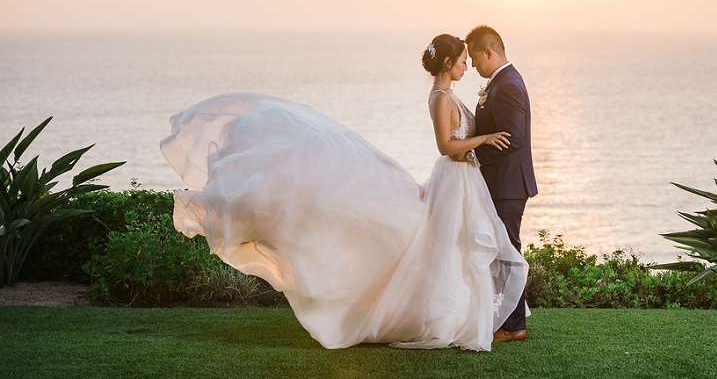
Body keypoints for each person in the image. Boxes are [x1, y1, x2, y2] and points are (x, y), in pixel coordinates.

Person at [159, 34, 527, 351]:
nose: (467, 67)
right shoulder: (439, 98)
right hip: (454, 175)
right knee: (445, 246)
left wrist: (480, 141)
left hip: (465, 180)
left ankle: (473, 315)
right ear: (448, 62)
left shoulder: (452, 93)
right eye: (463, 61)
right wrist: (484, 139)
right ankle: (447, 318)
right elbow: (446, 146)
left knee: (457, 247)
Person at [464, 25, 538, 343]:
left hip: (508, 184)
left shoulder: (508, 85)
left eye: (475, 58)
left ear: (489, 52)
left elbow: (511, 139)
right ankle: (506, 319)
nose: (473, 66)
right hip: (501, 182)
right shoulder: (500, 82)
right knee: (500, 249)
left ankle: (514, 326)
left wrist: (473, 155)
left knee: (508, 251)